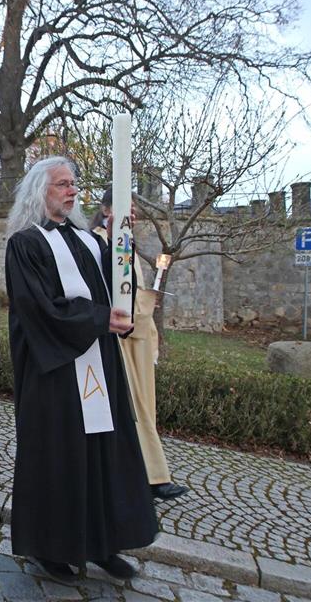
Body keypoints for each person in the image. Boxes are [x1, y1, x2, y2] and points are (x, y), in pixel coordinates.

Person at [4, 157, 157, 583]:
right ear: (40, 191)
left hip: (97, 365)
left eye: (74, 184)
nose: (71, 191)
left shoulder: (91, 242)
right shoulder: (25, 244)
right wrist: (96, 320)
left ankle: (102, 542)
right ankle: (50, 548)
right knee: (59, 456)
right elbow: (37, 309)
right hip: (54, 370)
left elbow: (116, 284)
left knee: (101, 453)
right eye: (61, 185)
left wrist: (122, 238)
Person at [90, 188, 189, 502]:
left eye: (134, 210)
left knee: (143, 408)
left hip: (137, 339)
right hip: (119, 341)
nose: (133, 215)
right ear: (107, 211)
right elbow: (107, 292)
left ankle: (148, 475)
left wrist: (146, 299)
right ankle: (150, 477)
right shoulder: (98, 242)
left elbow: (129, 289)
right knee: (134, 410)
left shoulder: (124, 243)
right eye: (126, 209)